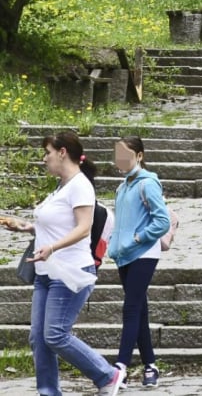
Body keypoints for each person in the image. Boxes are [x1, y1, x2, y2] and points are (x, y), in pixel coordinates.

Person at [0, 131, 126, 396]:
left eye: (47, 153)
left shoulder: (80, 185)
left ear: (62, 152)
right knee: (39, 339)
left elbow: (83, 228)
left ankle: (108, 375)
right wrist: (26, 227)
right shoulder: (62, 187)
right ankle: (48, 392)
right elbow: (57, 226)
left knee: (55, 335)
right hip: (47, 272)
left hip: (70, 272)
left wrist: (53, 247)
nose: (44, 159)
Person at [107, 136, 170, 389]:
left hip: (144, 253)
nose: (121, 159)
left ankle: (120, 366)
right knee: (139, 310)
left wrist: (139, 237)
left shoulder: (148, 184)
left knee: (131, 307)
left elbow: (162, 221)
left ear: (140, 156)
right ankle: (150, 365)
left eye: (126, 154)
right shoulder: (122, 187)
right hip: (124, 255)